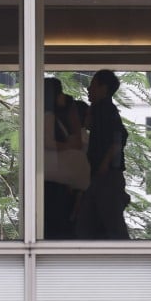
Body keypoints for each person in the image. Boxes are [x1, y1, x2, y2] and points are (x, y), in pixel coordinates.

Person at [76, 69, 130, 240]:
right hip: (102, 175)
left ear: (103, 88)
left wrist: (105, 164)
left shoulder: (105, 108)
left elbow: (119, 137)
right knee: (91, 222)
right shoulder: (101, 109)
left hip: (105, 176)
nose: (88, 89)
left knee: (110, 224)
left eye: (92, 85)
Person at [43, 77, 84, 239]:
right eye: (60, 92)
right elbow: (48, 142)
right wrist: (69, 146)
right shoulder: (49, 116)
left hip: (56, 178)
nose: (63, 96)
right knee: (58, 224)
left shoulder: (55, 117)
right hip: (54, 179)